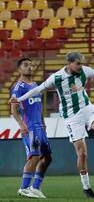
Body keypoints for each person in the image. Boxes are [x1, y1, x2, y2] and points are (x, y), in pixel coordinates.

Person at [9, 48, 94, 199]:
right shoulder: (57, 77)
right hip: (71, 116)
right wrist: (18, 99)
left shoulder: (85, 71)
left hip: (87, 108)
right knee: (82, 154)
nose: (80, 66)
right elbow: (38, 90)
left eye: (81, 63)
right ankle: (86, 187)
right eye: (78, 64)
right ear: (69, 63)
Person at [11, 58, 52, 199]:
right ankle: (24, 188)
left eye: (31, 65)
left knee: (47, 157)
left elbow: (38, 107)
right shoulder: (18, 87)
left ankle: (35, 188)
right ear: (19, 69)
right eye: (26, 65)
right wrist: (21, 125)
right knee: (34, 156)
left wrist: (44, 122)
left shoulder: (35, 85)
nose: (30, 67)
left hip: (40, 126)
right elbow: (14, 109)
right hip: (30, 127)